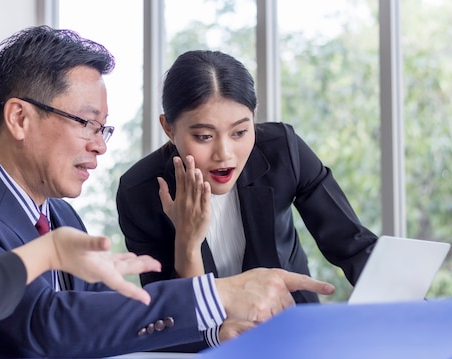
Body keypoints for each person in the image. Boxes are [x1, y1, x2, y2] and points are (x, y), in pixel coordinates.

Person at [0, 26, 334, 358]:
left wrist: (216, 335)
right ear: (20, 118)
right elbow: (47, 323)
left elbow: (99, 326)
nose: (100, 145)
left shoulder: (61, 217)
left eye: (103, 128)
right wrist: (219, 293)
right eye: (87, 123)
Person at [116, 50, 379, 349]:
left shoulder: (283, 150)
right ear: (168, 128)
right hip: (208, 345)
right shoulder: (139, 192)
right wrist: (187, 244)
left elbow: (353, 243)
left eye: (240, 131)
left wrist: (411, 314)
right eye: (204, 136)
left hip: (294, 331)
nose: (224, 154)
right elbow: (166, 317)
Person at [0, 226, 161, 351]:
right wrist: (48, 252)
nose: (100, 147)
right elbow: (42, 320)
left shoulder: (61, 213)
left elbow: (100, 317)